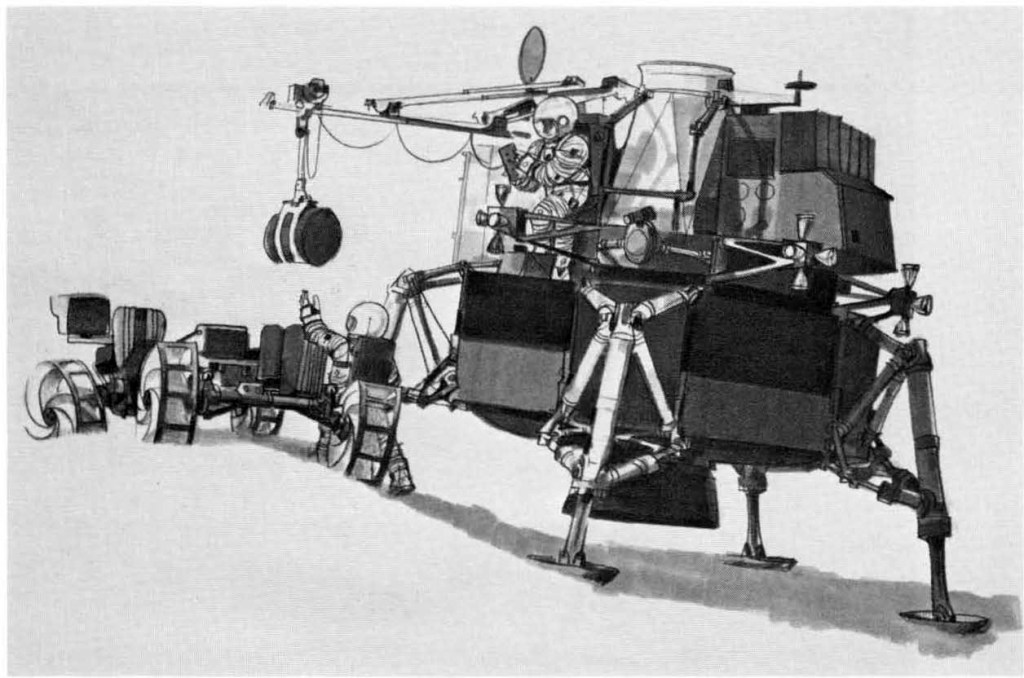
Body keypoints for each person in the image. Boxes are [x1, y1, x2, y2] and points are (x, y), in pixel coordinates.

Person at [299, 290, 415, 495]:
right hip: (376, 404)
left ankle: (322, 456)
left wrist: (309, 315)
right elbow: (394, 381)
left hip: (345, 402)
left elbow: (317, 334)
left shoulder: (342, 345)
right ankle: (401, 476)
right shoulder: (386, 355)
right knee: (386, 438)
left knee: (326, 414)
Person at [511, 95, 591, 279]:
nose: (544, 129)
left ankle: (550, 260)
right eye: (541, 124)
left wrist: (530, 168)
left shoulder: (575, 144)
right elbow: (532, 183)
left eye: (548, 123)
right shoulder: (538, 146)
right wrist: (520, 180)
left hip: (573, 195)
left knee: (543, 215)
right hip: (554, 196)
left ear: (563, 121)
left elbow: (553, 173)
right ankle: (552, 265)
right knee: (561, 231)